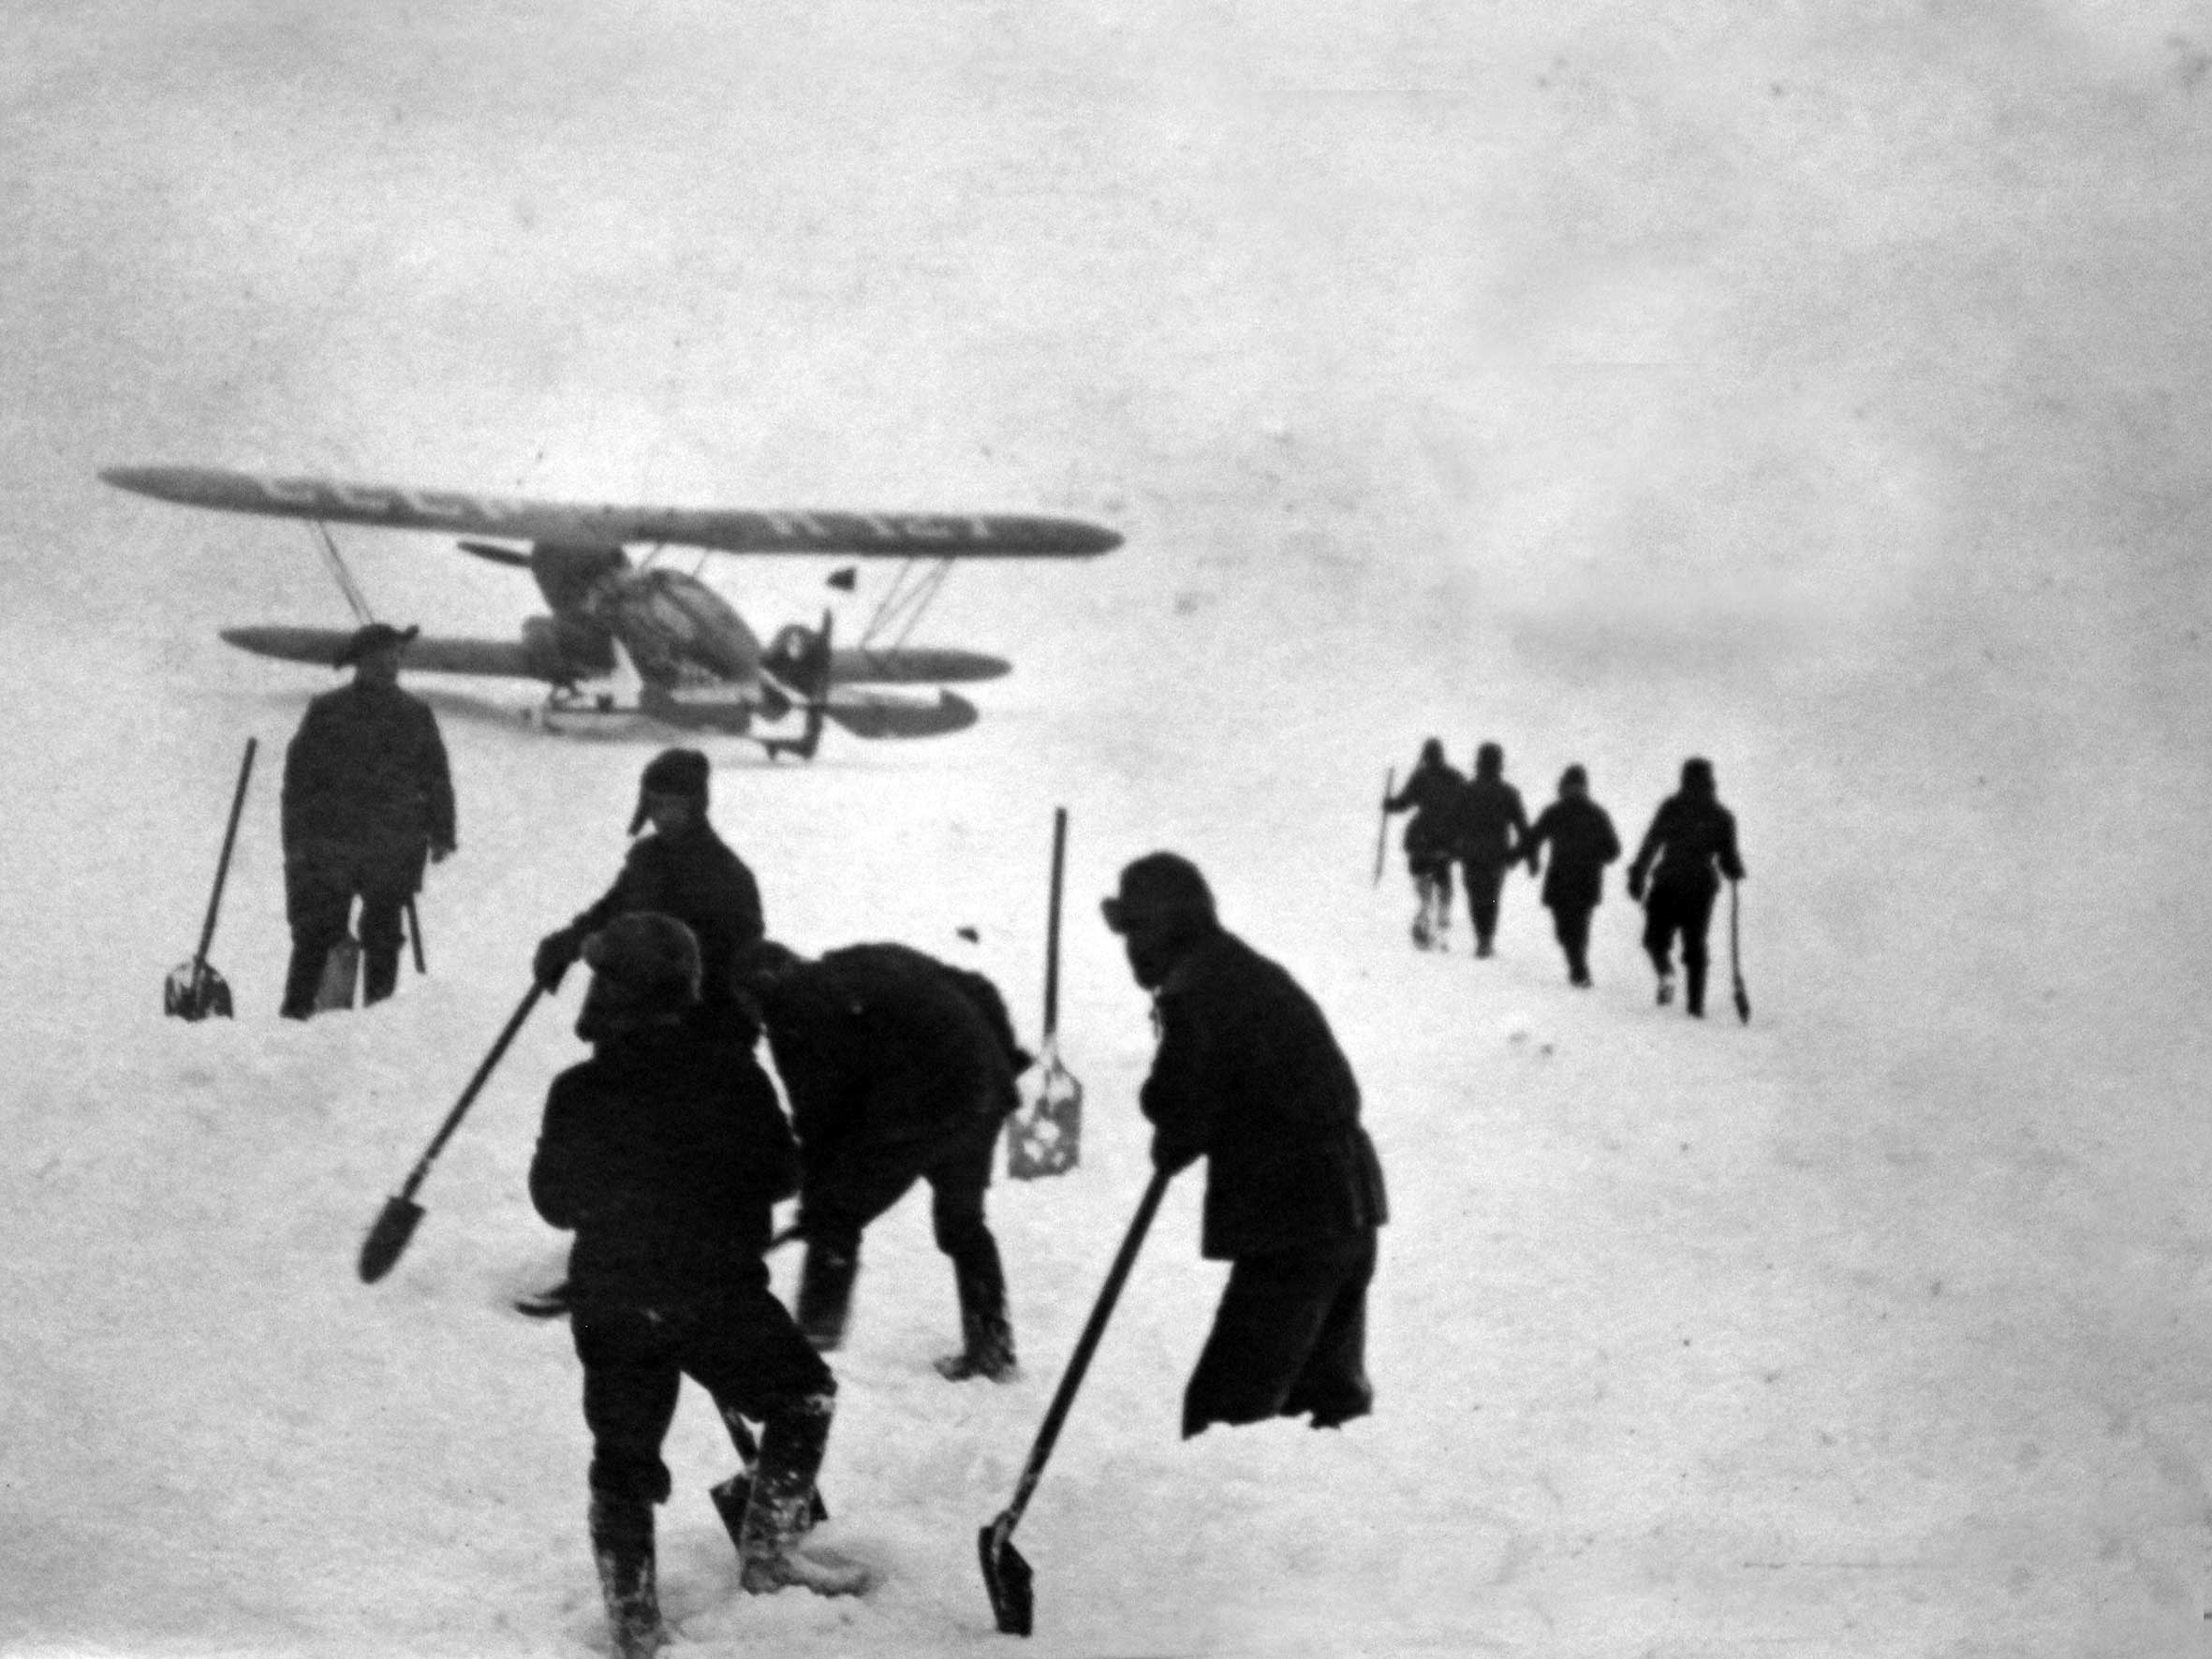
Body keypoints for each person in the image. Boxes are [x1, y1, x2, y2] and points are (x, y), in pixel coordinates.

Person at [529, 913, 865, 1658]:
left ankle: (634, 1624)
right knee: (802, 1397)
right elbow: (783, 1173)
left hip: (613, 1300)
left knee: (622, 1462)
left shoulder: (578, 1089)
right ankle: (769, 1554)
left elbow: (553, 1200)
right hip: (714, 1294)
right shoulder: (731, 1073)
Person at [1100, 853, 1387, 1438]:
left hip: (1294, 1221)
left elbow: (1181, 1107)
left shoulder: (1197, 990)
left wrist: (1168, 1119)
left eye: (1133, 931)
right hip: (1347, 1206)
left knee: (1224, 1416)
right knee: (1321, 1410)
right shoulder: (1243, 971)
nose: (1129, 948)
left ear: (1160, 930)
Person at [740, 940, 1030, 1382]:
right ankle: (992, 1348)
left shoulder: (791, 1011)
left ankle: (813, 1340)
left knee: (836, 1215)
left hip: (923, 1108)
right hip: (982, 1090)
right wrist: (1000, 1061)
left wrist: (817, 1204)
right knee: (963, 1223)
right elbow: (978, 987)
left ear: (757, 991)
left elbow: (819, 1121)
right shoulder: (869, 960)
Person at [278, 622, 456, 1020]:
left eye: (396, 657)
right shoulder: (327, 710)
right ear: (361, 662)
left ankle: (379, 1019)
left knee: (383, 937)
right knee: (318, 934)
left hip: (393, 845)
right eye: (382, 658)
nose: (391, 665)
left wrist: (442, 833)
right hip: (333, 845)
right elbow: (300, 782)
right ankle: (299, 1017)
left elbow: (435, 777)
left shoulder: (415, 714)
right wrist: (297, 842)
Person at [533, 747, 763, 1036]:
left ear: (697, 806)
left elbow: (736, 968)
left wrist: (630, 956)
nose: (664, 817)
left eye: (675, 805)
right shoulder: (647, 859)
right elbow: (613, 908)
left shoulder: (728, 876)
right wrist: (570, 941)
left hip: (698, 1035)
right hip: (632, 1024)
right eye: (656, 804)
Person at [1625, 756, 1746, 1017]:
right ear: (1710, 780)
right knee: (1695, 945)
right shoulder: (1721, 816)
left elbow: (1652, 842)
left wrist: (1637, 875)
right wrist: (1734, 869)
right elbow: (1728, 858)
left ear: (1684, 778)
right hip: (1700, 887)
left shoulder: (1672, 807)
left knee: (1654, 939)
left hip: (1667, 882)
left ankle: (1666, 973)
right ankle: (1695, 1007)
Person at [1520, 765, 1622, 988]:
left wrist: (1526, 856)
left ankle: (1578, 968)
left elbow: (1533, 838)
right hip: (1587, 879)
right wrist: (1594, 855)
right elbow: (1613, 851)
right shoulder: (1596, 814)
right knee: (1578, 926)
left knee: (1565, 929)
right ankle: (1578, 965)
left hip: (1561, 879)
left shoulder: (1556, 811)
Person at [1382, 739, 1467, 951]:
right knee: (1443, 870)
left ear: (1426, 757)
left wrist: (1389, 804)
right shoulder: (1455, 777)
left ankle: (1426, 903)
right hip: (1448, 836)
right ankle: (1444, 909)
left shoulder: (1420, 777)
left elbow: (1404, 803)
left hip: (1422, 834)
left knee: (1420, 869)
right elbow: (1469, 804)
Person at [1452, 741, 1531, 959]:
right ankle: (1486, 939)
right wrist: (1521, 855)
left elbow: (1452, 823)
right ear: (1499, 764)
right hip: (1497, 855)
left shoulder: (1465, 791)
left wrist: (1454, 849)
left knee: (1474, 895)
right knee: (1492, 896)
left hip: (1471, 853)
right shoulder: (1508, 793)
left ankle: (1481, 937)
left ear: (1478, 762)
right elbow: (1522, 827)